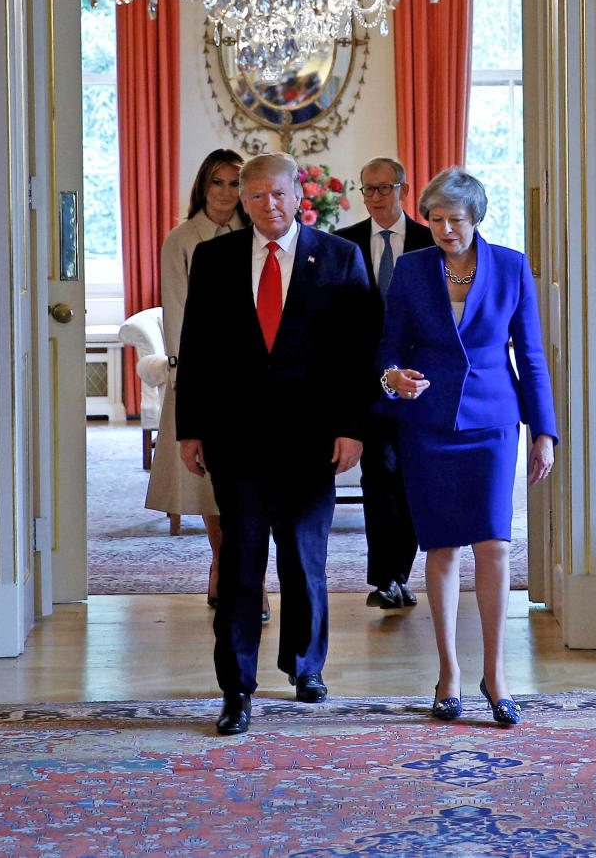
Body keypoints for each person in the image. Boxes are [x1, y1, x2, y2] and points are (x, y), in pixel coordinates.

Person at [176, 152, 373, 735]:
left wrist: (352, 426)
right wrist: (191, 429)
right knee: (240, 563)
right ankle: (235, 688)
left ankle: (306, 667)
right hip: (236, 439)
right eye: (254, 195)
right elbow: (199, 350)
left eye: (278, 195)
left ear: (298, 196)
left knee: (304, 558)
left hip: (313, 438)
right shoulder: (214, 259)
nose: (268, 205)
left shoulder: (339, 258)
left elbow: (359, 353)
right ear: (242, 198)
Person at [377, 166, 557, 727]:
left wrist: (543, 431)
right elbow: (388, 347)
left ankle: (496, 675)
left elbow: (529, 355)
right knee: (442, 550)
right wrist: (391, 379)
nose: (445, 229)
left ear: (476, 219)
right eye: (435, 218)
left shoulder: (511, 265)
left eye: (456, 219)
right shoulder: (409, 270)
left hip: (493, 423)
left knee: (494, 546)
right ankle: (449, 674)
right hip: (427, 423)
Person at [146, 148, 266, 616]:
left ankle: (250, 575)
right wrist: (184, 377)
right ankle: (222, 563)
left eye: (235, 183)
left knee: (254, 484)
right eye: (217, 182)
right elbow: (176, 313)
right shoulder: (181, 239)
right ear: (203, 186)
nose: (226, 192)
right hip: (200, 375)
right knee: (208, 486)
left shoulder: (257, 235)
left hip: (254, 379)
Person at [338, 156, 434, 609]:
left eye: (384, 188)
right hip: (366, 382)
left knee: (413, 477)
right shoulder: (344, 245)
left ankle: (401, 571)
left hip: (418, 380)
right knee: (378, 476)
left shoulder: (429, 240)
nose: (375, 197)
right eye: (367, 189)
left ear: (403, 189)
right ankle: (386, 579)